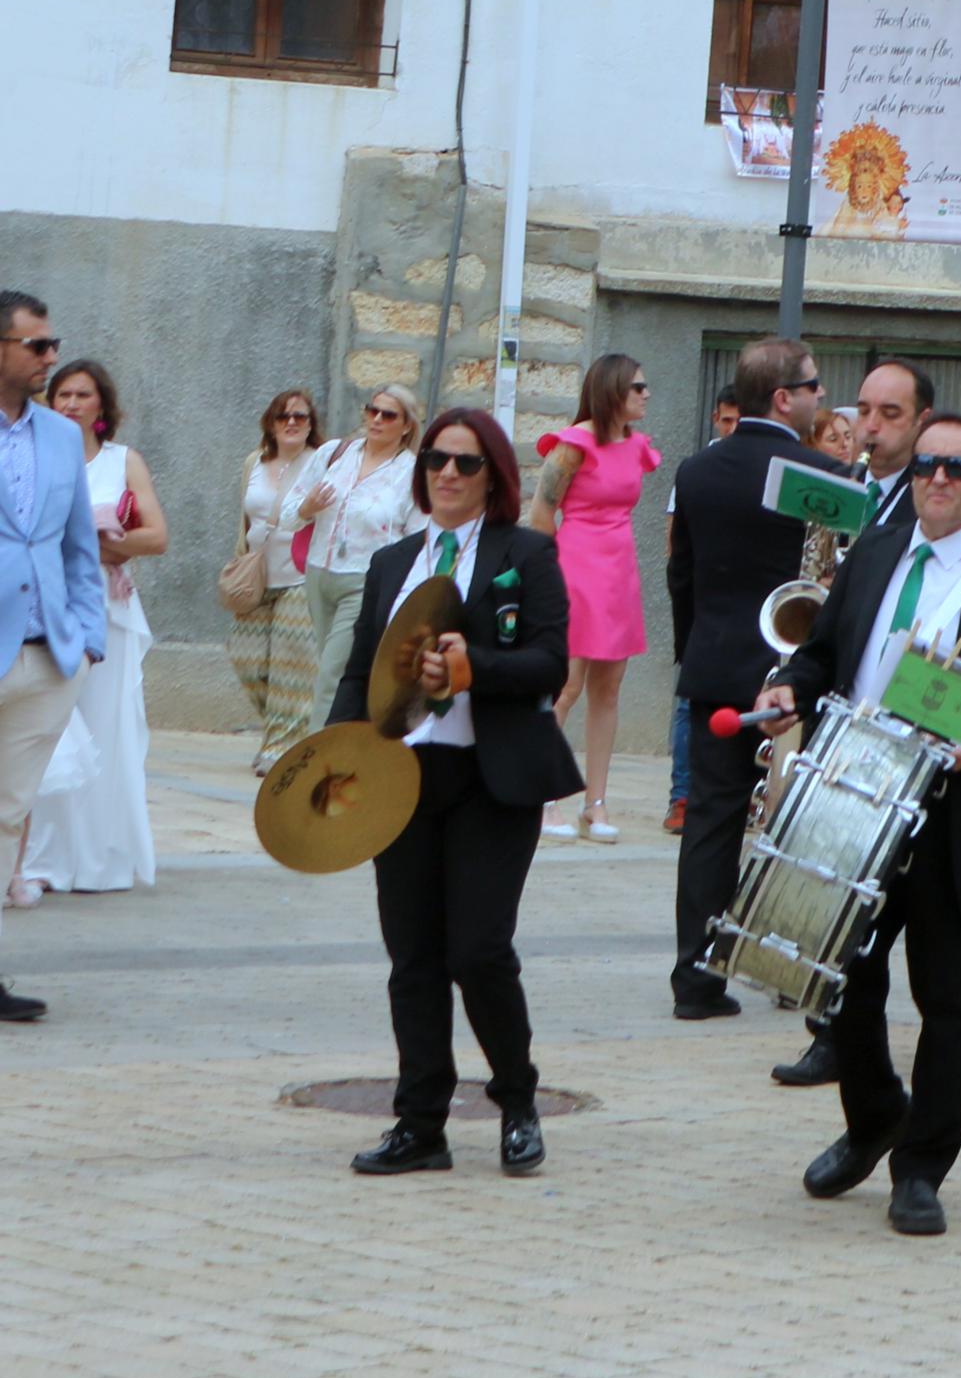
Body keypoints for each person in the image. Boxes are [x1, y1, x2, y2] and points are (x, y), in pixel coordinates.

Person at [750, 410, 961, 1236]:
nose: (937, 478)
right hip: (852, 800)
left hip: (953, 813)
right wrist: (790, 683)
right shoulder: (874, 554)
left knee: (947, 997)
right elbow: (823, 652)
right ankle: (872, 1119)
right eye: (928, 463)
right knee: (838, 986)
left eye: (957, 467)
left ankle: (922, 1166)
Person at [325, 404, 576, 1177]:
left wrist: (476, 670)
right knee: (413, 957)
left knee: (478, 949)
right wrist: (334, 765)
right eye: (436, 458)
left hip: (489, 778)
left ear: (492, 477)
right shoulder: (392, 560)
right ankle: (420, 1122)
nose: (447, 473)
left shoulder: (525, 553)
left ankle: (517, 1100)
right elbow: (360, 671)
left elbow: (548, 665)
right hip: (403, 778)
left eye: (466, 463)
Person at [663, 338, 828, 1020]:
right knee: (803, 821)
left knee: (711, 820)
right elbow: (834, 578)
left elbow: (681, 574)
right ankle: (790, 968)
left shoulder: (698, 469)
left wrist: (696, 651)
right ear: (783, 397)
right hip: (801, 671)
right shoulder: (825, 472)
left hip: (716, 665)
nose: (823, 395)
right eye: (814, 385)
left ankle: (696, 978)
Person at [0, 293, 104, 1020]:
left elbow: (78, 548)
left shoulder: (63, 438)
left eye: (51, 344)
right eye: (37, 346)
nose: (49, 357)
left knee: (8, 814)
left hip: (48, 655)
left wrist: (88, 638)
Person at [25, 359, 161, 897]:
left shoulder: (124, 461)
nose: (71, 404)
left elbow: (157, 536)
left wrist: (103, 544)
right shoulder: (36, 455)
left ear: (101, 405)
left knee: (107, 730)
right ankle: (43, 858)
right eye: (62, 395)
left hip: (108, 604)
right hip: (47, 607)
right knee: (51, 733)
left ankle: (100, 858)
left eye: (82, 395)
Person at [530, 352, 658, 845]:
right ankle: (544, 796)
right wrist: (550, 572)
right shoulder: (573, 445)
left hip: (619, 567)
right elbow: (541, 512)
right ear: (613, 391)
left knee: (609, 687)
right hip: (575, 566)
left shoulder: (637, 445)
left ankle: (595, 802)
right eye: (638, 388)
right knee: (565, 686)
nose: (646, 395)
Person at [290, 384, 426, 749]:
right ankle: (352, 743)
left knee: (332, 672)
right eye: (372, 410)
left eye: (388, 415)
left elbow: (418, 540)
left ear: (407, 426)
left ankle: (315, 753)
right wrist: (307, 508)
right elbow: (289, 513)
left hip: (366, 582)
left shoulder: (411, 473)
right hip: (319, 573)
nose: (377, 419)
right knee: (335, 668)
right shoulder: (335, 454)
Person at [230, 389, 324, 768]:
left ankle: (280, 748)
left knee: (293, 664)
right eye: (283, 417)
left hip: (300, 575)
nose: (291, 423)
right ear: (270, 424)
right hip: (258, 576)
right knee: (247, 659)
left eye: (300, 417)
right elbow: (245, 520)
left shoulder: (321, 463)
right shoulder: (254, 462)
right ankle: (284, 729)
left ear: (310, 425)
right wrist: (240, 560)